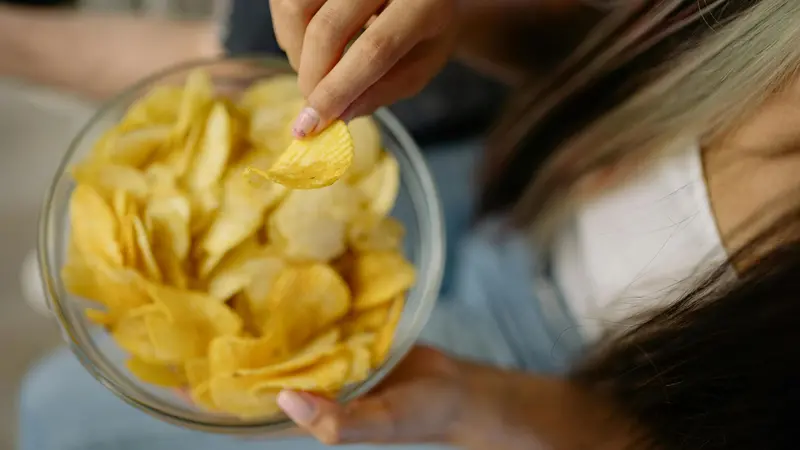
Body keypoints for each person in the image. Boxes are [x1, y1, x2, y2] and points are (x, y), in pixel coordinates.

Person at [11, 0, 800, 449]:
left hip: (554, 388)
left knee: (55, 412)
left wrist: (467, 405)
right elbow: (608, 58)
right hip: (503, 185)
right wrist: (460, 14)